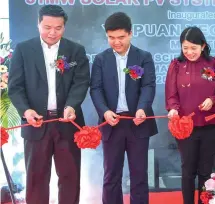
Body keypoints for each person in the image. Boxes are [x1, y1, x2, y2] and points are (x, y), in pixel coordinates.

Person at [8, 5, 90, 204]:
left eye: (58, 27)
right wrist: (26, 111)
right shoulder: (23, 50)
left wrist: (71, 105)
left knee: (70, 178)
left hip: (67, 123)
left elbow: (81, 81)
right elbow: (15, 87)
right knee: (36, 179)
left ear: (65, 27)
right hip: (36, 124)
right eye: (47, 27)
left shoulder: (75, 51)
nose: (52, 32)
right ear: (38, 24)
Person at [89, 12, 158, 204]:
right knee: (111, 176)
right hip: (112, 123)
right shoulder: (101, 60)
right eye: (111, 38)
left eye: (121, 37)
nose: (116, 42)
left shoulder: (143, 57)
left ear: (130, 34)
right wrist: (104, 111)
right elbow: (95, 89)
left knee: (139, 175)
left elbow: (148, 85)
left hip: (137, 122)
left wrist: (143, 108)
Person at [165, 26, 215, 204]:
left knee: (205, 170)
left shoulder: (213, 63)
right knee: (188, 170)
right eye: (185, 48)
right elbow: (171, 94)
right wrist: (173, 108)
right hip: (185, 126)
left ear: (203, 46)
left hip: (209, 125)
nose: (189, 52)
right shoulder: (176, 65)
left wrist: (213, 100)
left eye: (194, 48)